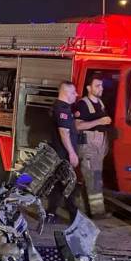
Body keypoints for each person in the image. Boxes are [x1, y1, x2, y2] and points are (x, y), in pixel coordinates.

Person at [74, 76, 113, 217]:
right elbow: (78, 125)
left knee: (91, 177)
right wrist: (99, 121)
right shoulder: (82, 104)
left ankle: (80, 207)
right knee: (93, 177)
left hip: (99, 143)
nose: (101, 88)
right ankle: (97, 211)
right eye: (97, 85)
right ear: (88, 88)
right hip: (88, 143)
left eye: (101, 85)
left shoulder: (100, 103)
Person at [48, 81, 80, 222]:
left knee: (60, 184)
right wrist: (72, 153)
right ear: (66, 93)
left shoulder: (61, 108)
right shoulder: (62, 110)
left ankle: (51, 214)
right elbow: (64, 133)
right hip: (63, 154)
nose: (76, 95)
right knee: (69, 184)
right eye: (73, 92)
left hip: (60, 154)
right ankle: (74, 216)